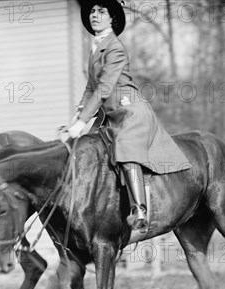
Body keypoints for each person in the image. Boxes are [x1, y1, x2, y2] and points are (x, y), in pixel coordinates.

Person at [68, 0, 191, 230]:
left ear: (112, 18)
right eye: (92, 11)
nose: (94, 15)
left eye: (101, 11)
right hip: (109, 114)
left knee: (125, 146)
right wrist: (78, 115)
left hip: (130, 111)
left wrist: (84, 120)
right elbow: (90, 87)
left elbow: (104, 88)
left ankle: (139, 209)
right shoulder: (95, 49)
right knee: (84, 148)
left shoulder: (114, 47)